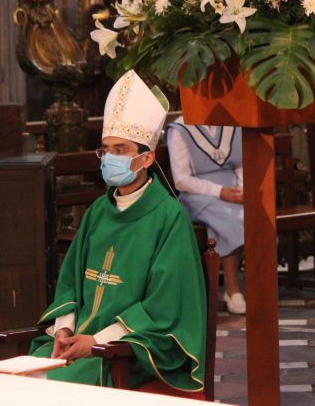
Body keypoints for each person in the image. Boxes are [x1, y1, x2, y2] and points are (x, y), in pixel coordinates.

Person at [30, 70, 206, 391]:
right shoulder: (99, 211)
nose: (110, 158)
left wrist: (97, 341)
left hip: (130, 352)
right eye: (106, 149)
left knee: (45, 389)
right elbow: (69, 284)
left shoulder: (169, 218)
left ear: (147, 158)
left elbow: (164, 308)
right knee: (14, 379)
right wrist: (65, 330)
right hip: (78, 346)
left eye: (121, 150)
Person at [166, 118, 245, 314]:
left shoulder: (231, 123)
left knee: (254, 216)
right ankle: (233, 289)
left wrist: (243, 189)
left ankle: (256, 287)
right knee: (229, 220)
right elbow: (181, 180)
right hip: (197, 194)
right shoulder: (180, 129)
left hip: (234, 190)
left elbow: (241, 164)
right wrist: (219, 191)